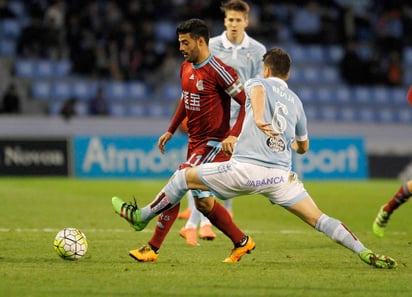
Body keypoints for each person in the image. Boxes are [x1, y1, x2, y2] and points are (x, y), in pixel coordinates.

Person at [112, 47, 398, 268]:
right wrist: (283, 140)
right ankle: (365, 252)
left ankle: (141, 216)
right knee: (320, 219)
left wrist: (259, 119)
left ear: (266, 68)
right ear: (287, 74)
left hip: (246, 170)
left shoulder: (257, 82)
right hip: (281, 178)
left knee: (183, 177)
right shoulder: (297, 102)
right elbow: (303, 147)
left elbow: (258, 95)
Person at [114, 18, 248, 262]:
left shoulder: (220, 70)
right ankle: (242, 242)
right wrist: (171, 129)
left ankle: (142, 220)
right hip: (194, 144)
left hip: (214, 144)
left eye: (185, 43)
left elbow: (247, 101)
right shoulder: (185, 67)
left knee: (178, 181)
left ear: (200, 41)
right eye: (179, 43)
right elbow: (186, 98)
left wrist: (233, 134)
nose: (181, 48)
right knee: (204, 205)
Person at [178, 0, 267, 246]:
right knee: (202, 169)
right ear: (225, 21)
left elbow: (258, 88)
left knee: (227, 171)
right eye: (230, 20)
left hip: (241, 121)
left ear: (246, 22)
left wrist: (256, 118)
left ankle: (201, 223)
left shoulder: (258, 50)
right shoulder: (212, 45)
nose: (234, 24)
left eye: (238, 20)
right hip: (212, 118)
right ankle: (198, 224)